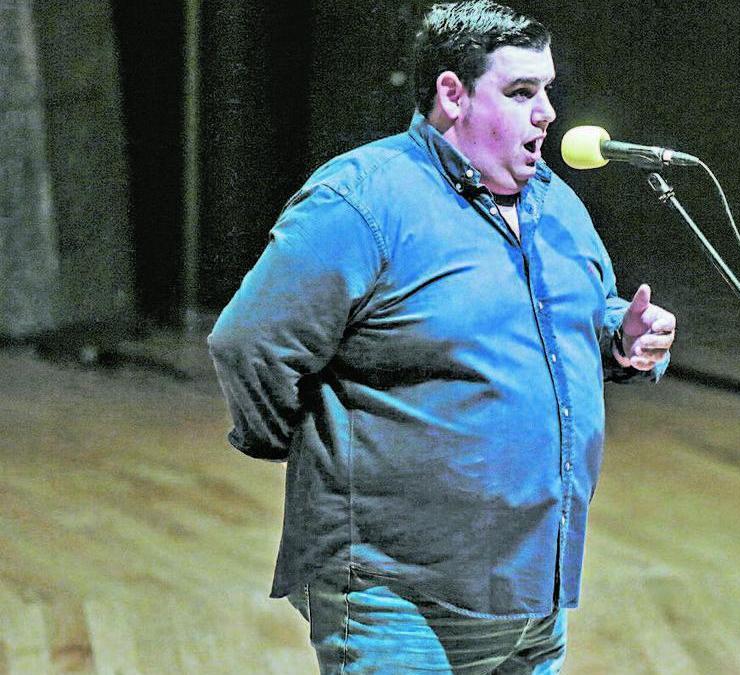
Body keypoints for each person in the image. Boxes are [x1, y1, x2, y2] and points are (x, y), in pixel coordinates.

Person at [207, 1, 676, 672]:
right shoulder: (365, 199)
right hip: (394, 598)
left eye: (546, 89)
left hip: (531, 596)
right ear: (453, 94)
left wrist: (620, 340)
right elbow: (249, 342)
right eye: (520, 92)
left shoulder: (557, 205)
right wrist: (314, 451)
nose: (545, 111)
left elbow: (575, 317)